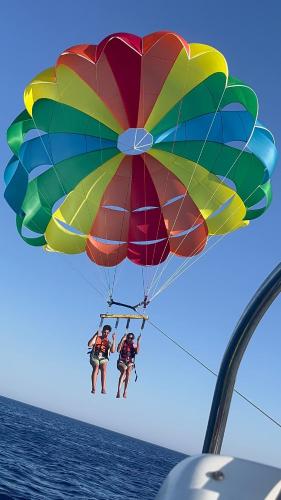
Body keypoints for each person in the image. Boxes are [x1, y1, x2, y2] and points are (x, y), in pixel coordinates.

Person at [88, 325, 116, 394]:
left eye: (107, 333)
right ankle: (93, 387)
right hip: (95, 356)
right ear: (102, 331)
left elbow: (112, 351)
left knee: (104, 368)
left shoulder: (108, 341)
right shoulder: (97, 338)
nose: (106, 334)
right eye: (104, 332)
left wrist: (114, 339)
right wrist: (95, 334)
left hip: (103, 358)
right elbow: (89, 344)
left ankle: (103, 388)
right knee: (96, 367)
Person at [116, 332, 141, 399]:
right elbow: (118, 350)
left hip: (129, 362)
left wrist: (138, 342)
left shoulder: (134, 345)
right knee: (124, 370)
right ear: (126, 338)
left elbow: (137, 352)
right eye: (129, 338)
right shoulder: (123, 343)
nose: (130, 339)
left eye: (131, 338)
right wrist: (122, 339)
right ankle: (118, 390)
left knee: (128, 372)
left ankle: (125, 391)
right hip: (122, 361)